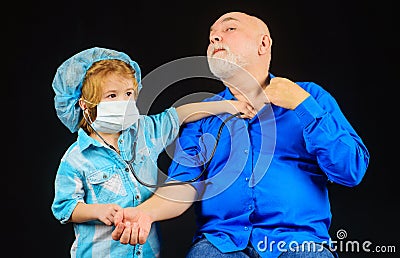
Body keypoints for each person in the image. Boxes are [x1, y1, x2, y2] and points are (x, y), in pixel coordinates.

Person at [111, 11, 370, 258]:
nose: (214, 38)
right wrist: (145, 213)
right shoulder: (204, 117)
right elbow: (184, 186)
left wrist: (303, 106)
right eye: (212, 34)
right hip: (220, 244)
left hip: (299, 241)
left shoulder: (311, 98)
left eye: (229, 28)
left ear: (263, 44)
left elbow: (350, 171)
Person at [50, 46, 256, 258]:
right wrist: (97, 211)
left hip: (147, 252)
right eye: (112, 95)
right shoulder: (76, 158)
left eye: (129, 94)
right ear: (85, 104)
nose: (124, 102)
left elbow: (180, 115)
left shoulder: (146, 131)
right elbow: (64, 207)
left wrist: (227, 106)